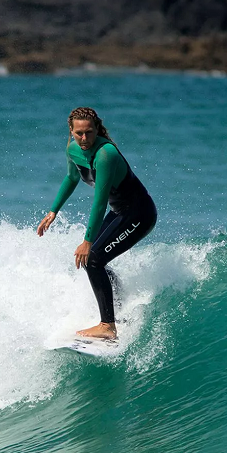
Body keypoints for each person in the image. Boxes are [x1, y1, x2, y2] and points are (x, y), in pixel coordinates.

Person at [37, 107, 157, 340]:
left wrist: (87, 241)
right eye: (78, 133)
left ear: (97, 130)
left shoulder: (106, 154)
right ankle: (119, 307)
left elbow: (99, 202)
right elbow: (72, 177)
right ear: (71, 131)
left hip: (139, 214)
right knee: (95, 261)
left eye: (89, 133)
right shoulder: (73, 149)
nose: (84, 139)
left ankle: (107, 326)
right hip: (120, 212)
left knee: (92, 258)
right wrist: (53, 211)